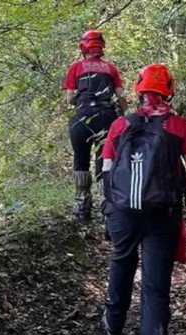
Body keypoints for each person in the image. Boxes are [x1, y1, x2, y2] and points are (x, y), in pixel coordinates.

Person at [100, 64, 186, 335]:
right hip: (163, 213)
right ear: (169, 90)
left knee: (122, 260)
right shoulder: (179, 126)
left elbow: (107, 171)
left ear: (139, 90)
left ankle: (113, 324)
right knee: (155, 285)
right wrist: (171, 182)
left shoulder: (120, 125)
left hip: (122, 211)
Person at [63, 29, 128, 221]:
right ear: (101, 47)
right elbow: (121, 96)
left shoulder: (75, 67)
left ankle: (82, 207)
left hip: (81, 119)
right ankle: (109, 208)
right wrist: (125, 114)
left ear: (83, 47)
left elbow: (70, 98)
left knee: (81, 161)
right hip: (107, 118)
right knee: (105, 161)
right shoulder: (111, 68)